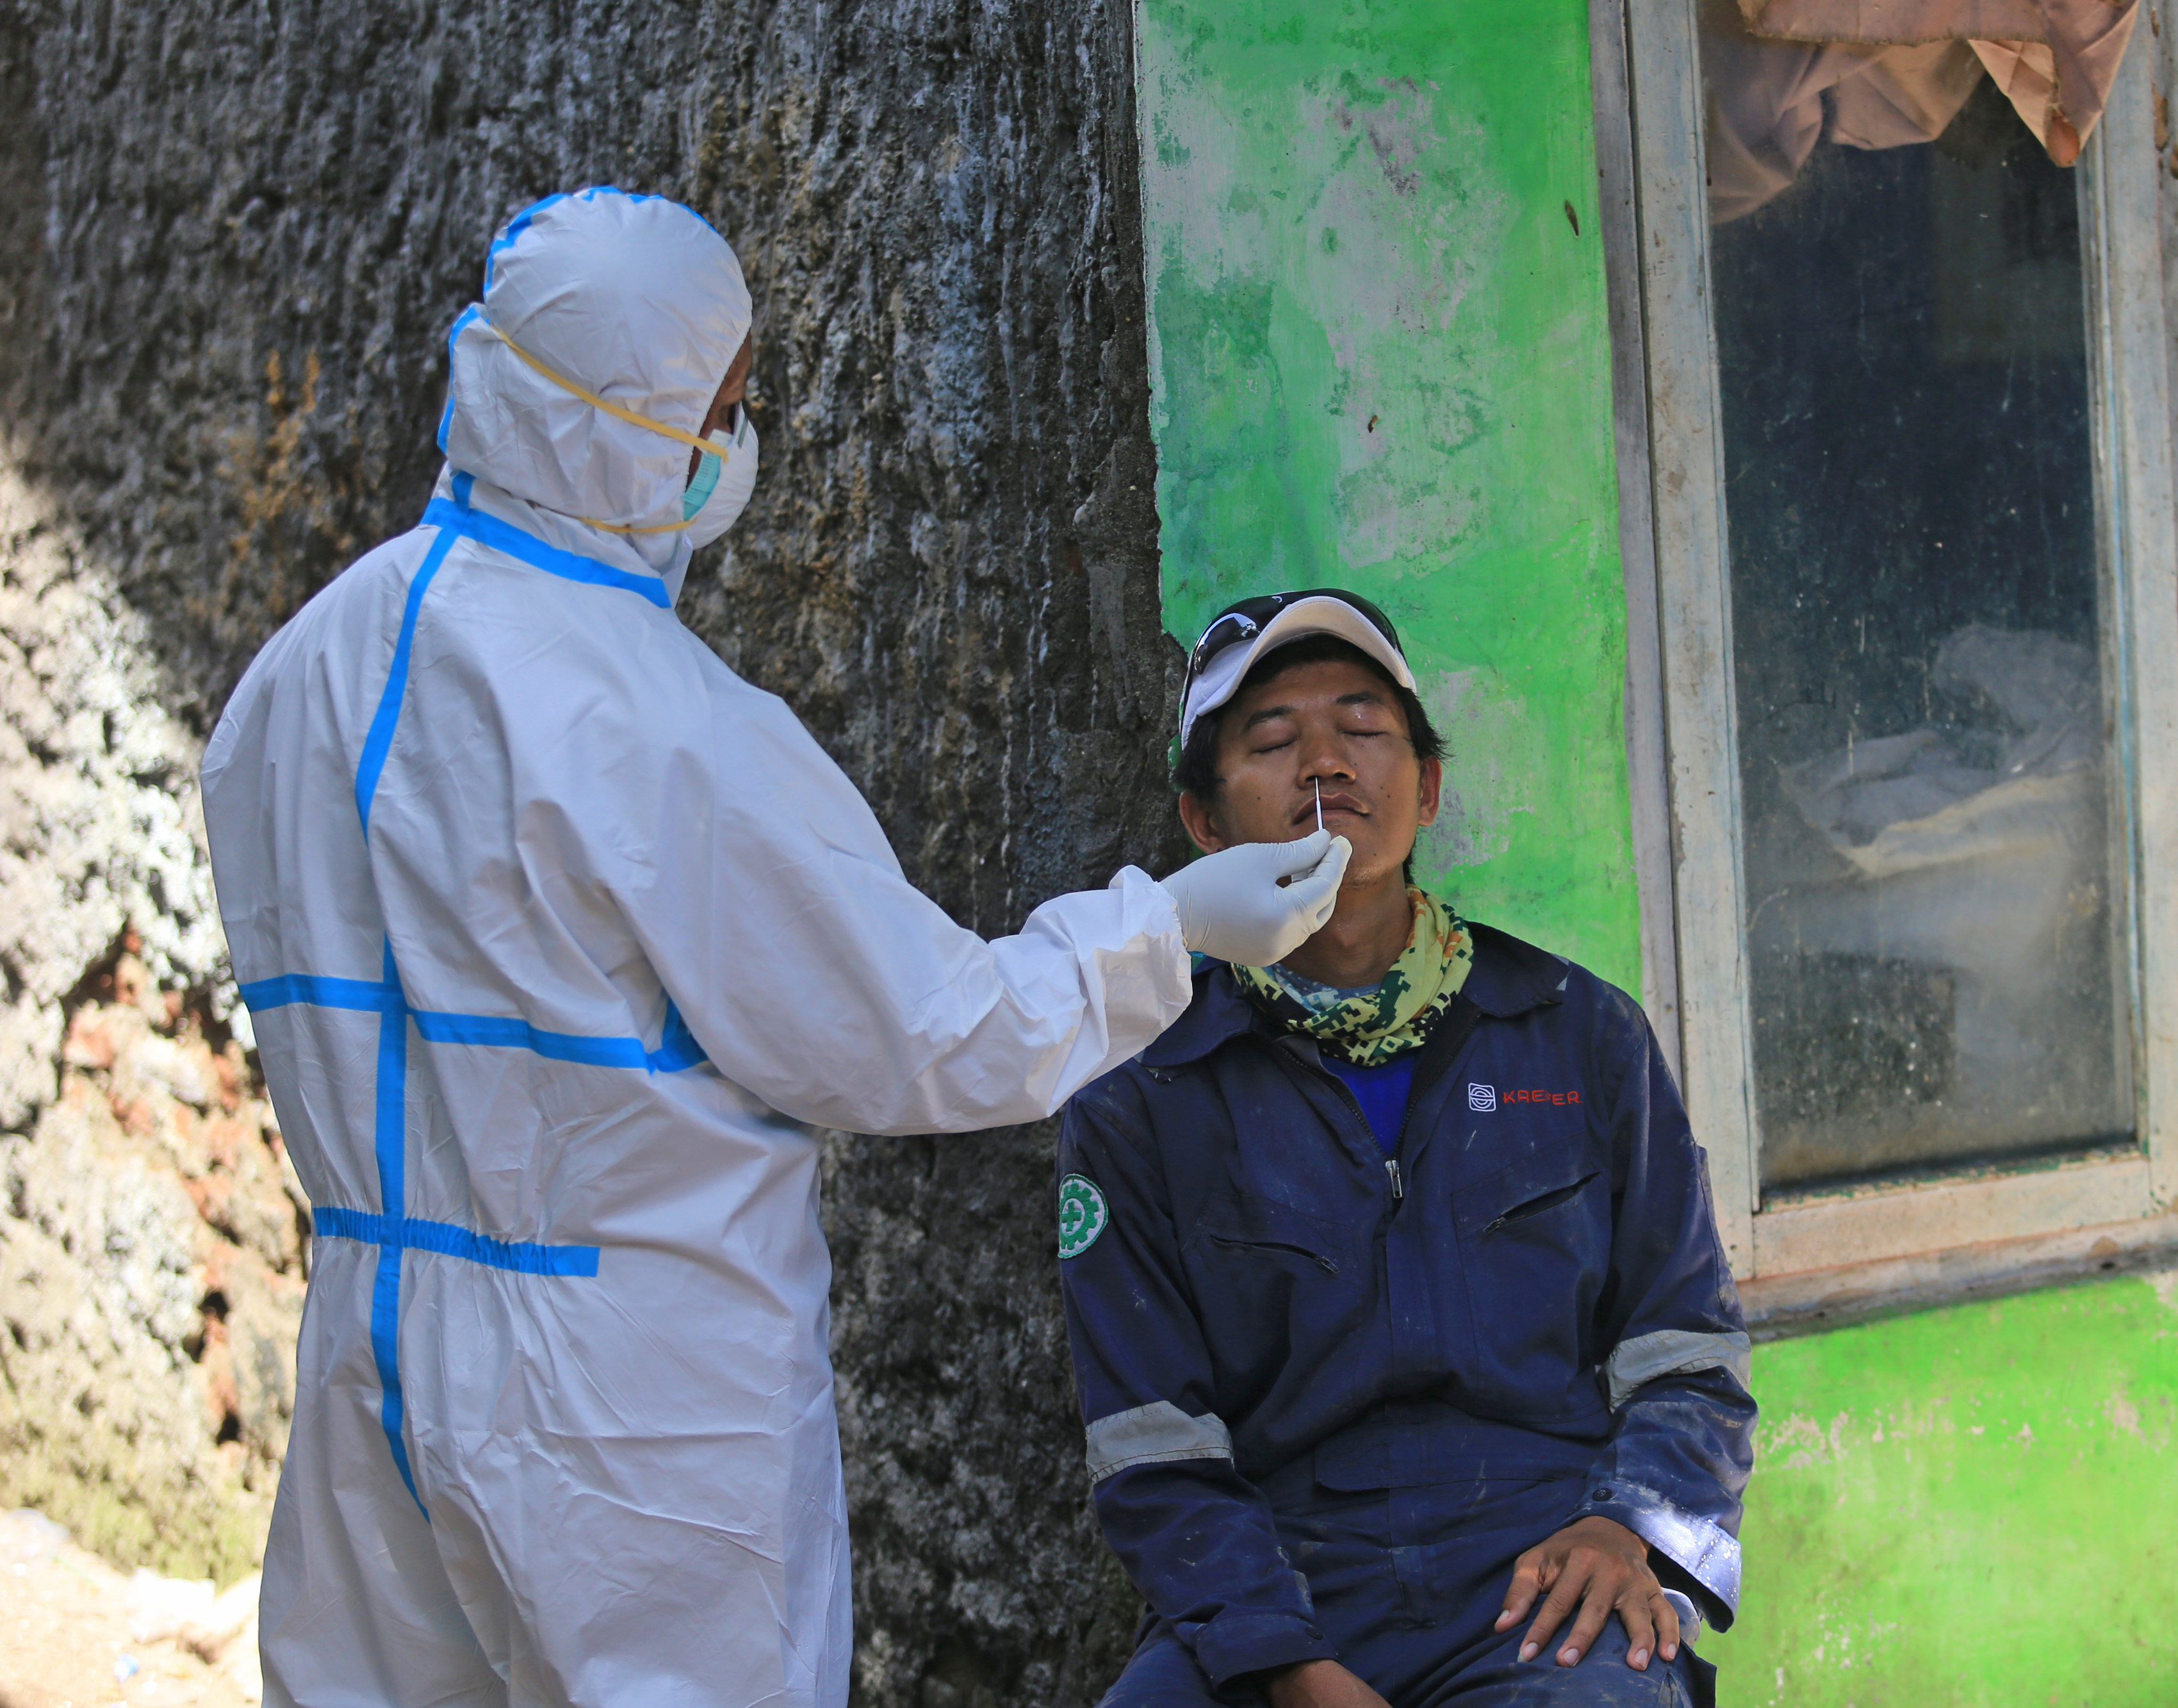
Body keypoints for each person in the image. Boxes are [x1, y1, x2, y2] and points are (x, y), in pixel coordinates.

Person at [199, 188, 1348, 1708]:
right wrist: (1170, 928)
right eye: (724, 408)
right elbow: (921, 1029)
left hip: (373, 1349)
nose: (738, 442)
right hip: (626, 1403)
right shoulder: (660, 723)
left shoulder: (300, 674)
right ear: (625, 429)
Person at [1056, 591, 1757, 1708]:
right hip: (1280, 1582)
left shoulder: (1582, 1032)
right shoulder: (1140, 1093)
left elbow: (1688, 1348)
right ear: (1204, 824)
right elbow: (1151, 1445)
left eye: (1364, 728)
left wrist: (1633, 1533)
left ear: (1426, 789)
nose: (1325, 766)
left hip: (1542, 1567)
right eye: (1273, 740)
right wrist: (1281, 1660)